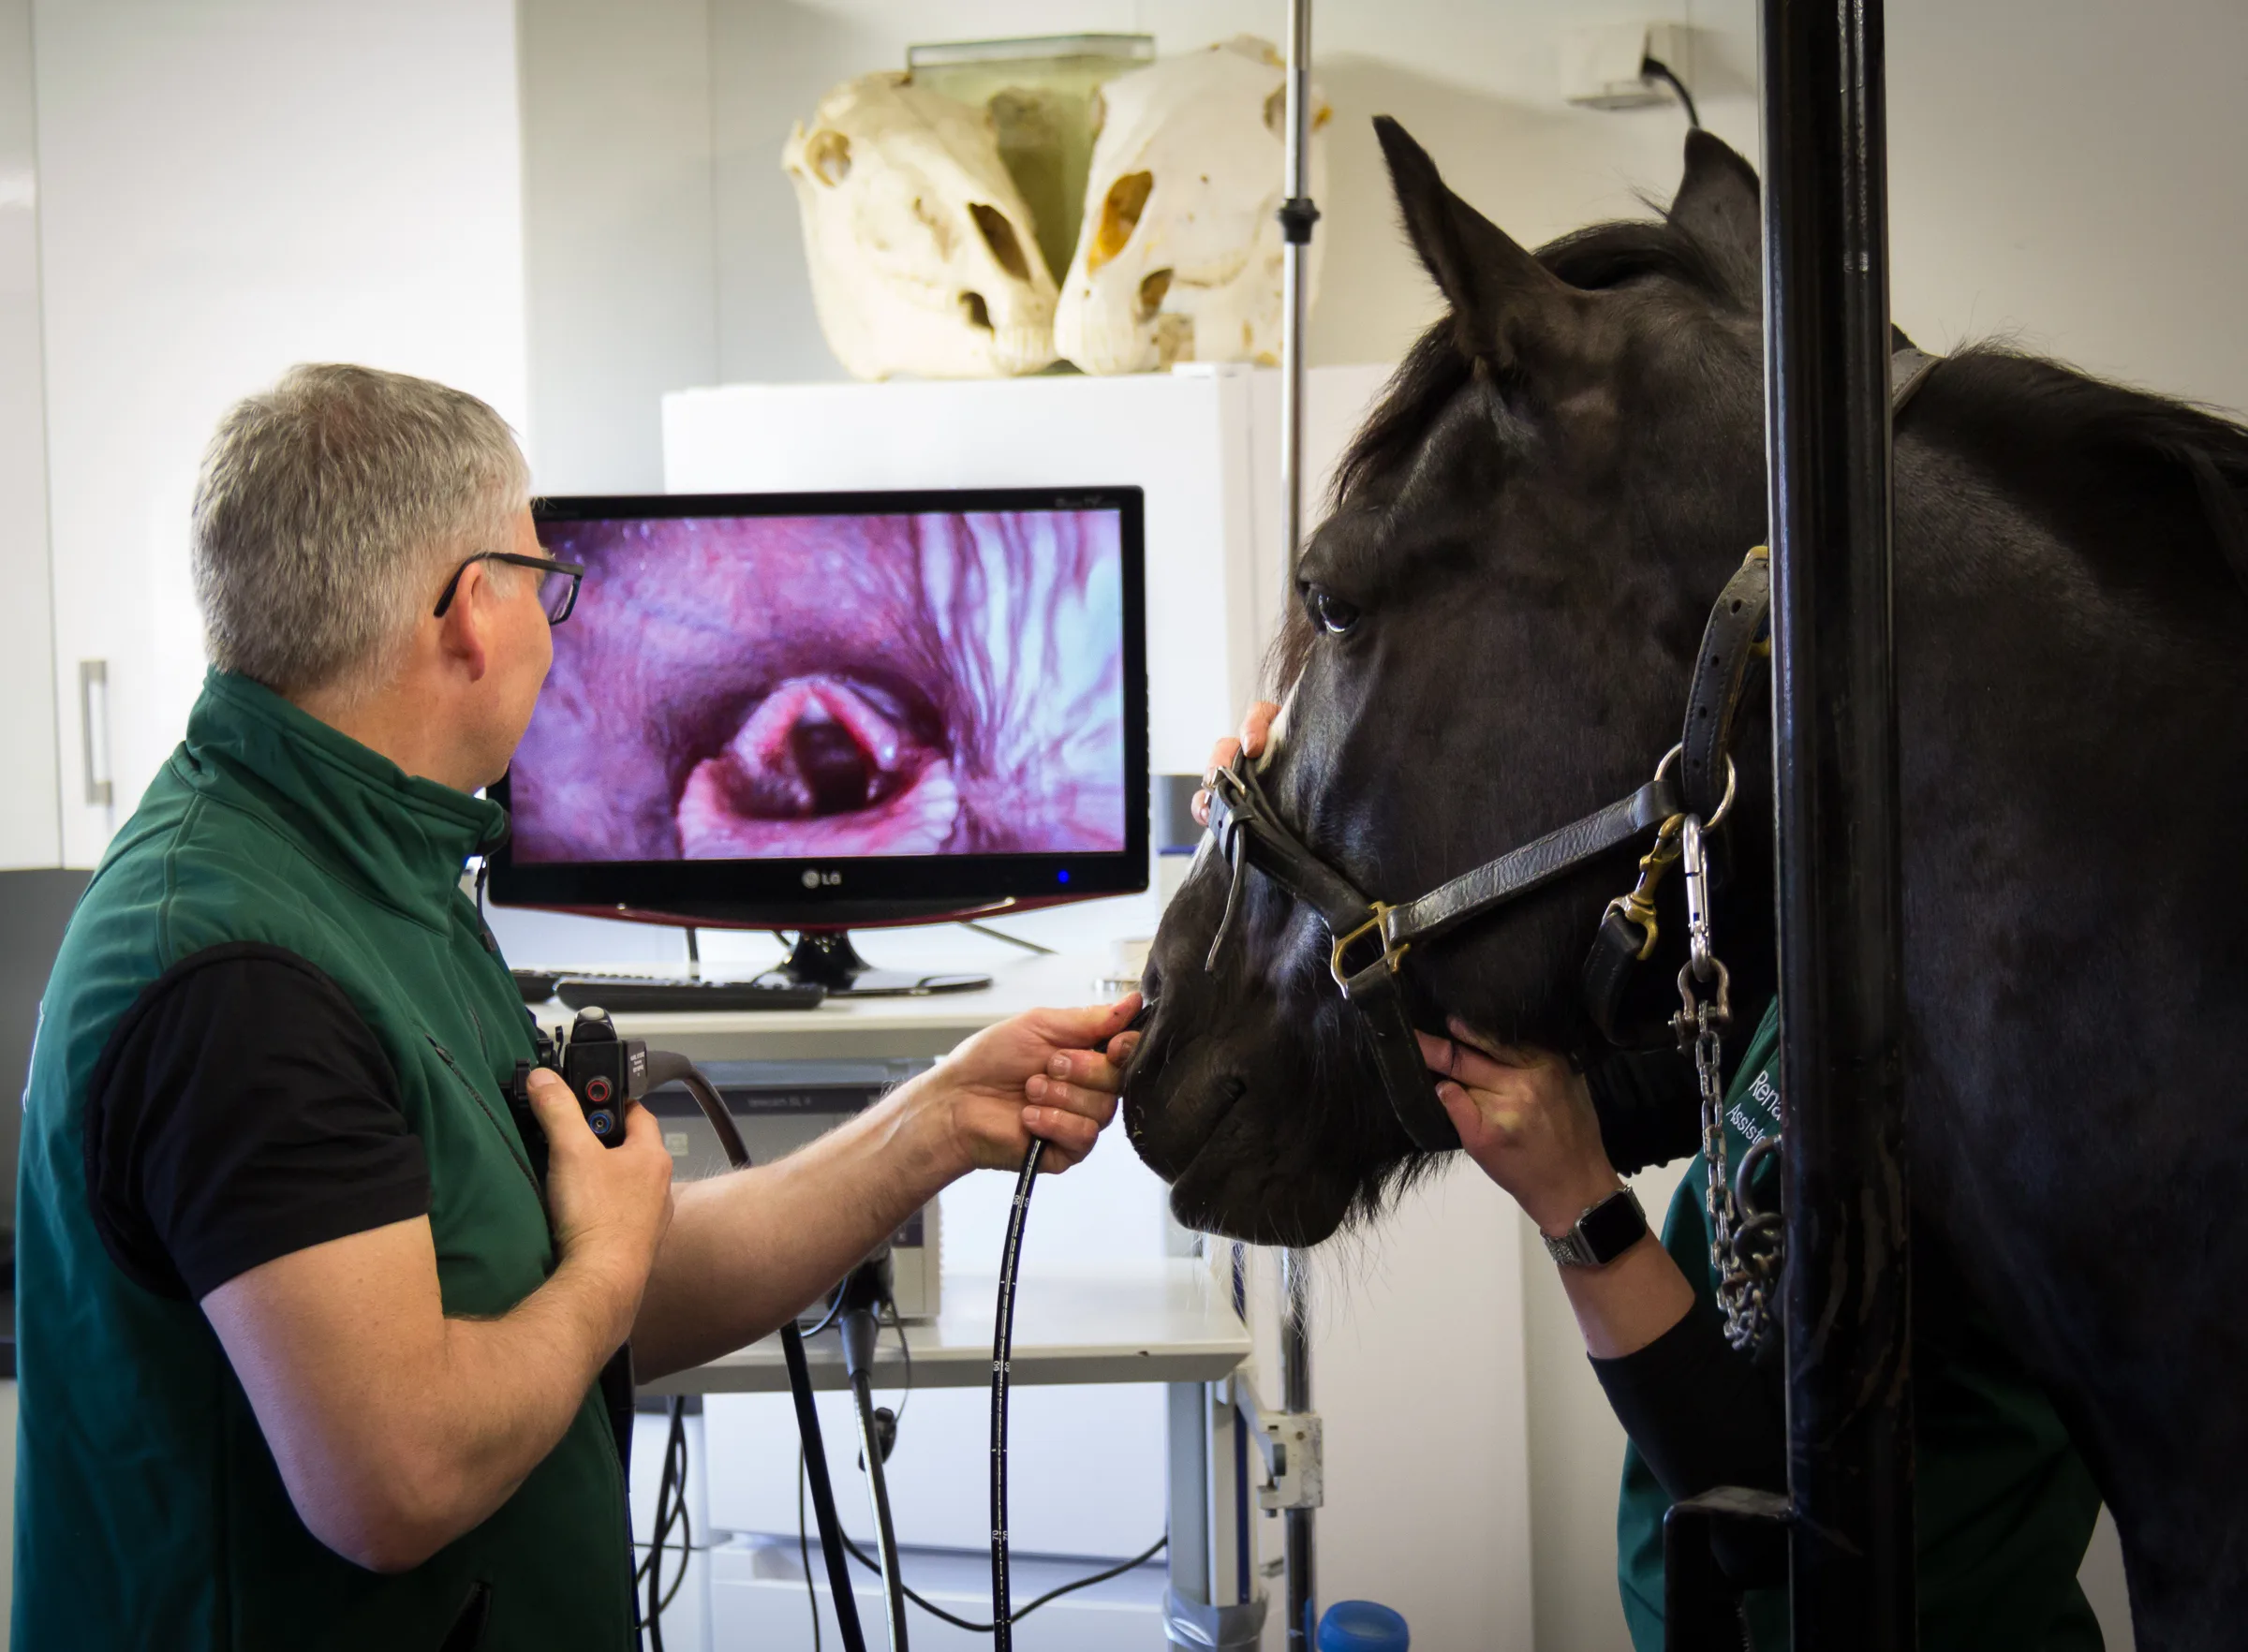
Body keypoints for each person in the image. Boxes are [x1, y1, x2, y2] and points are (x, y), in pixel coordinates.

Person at [12, 364, 1142, 1652]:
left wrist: (938, 1118)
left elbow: (576, 1308)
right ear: (472, 610)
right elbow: (401, 1478)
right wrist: (604, 1263)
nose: (557, 629)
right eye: (549, 584)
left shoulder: (379, 887)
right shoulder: (240, 976)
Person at [1200, 703, 2106, 1651]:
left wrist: (1578, 1204)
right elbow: (1618, 1091)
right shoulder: (1856, 955)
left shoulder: (2000, 1039)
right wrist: (1295, 886)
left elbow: (1770, 1517)